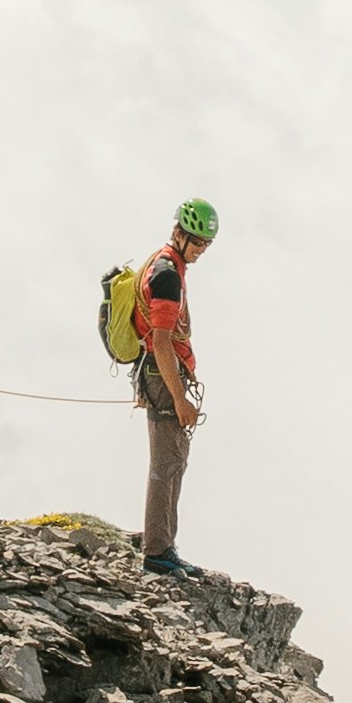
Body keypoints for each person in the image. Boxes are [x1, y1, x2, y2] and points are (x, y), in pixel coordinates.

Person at [130, 197, 215, 567]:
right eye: (197, 242)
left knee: (172, 459)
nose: (201, 250)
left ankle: (162, 543)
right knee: (168, 462)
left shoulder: (163, 263)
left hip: (156, 373)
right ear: (180, 234)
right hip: (163, 376)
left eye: (206, 245)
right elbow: (163, 340)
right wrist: (180, 398)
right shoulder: (167, 275)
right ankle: (158, 551)